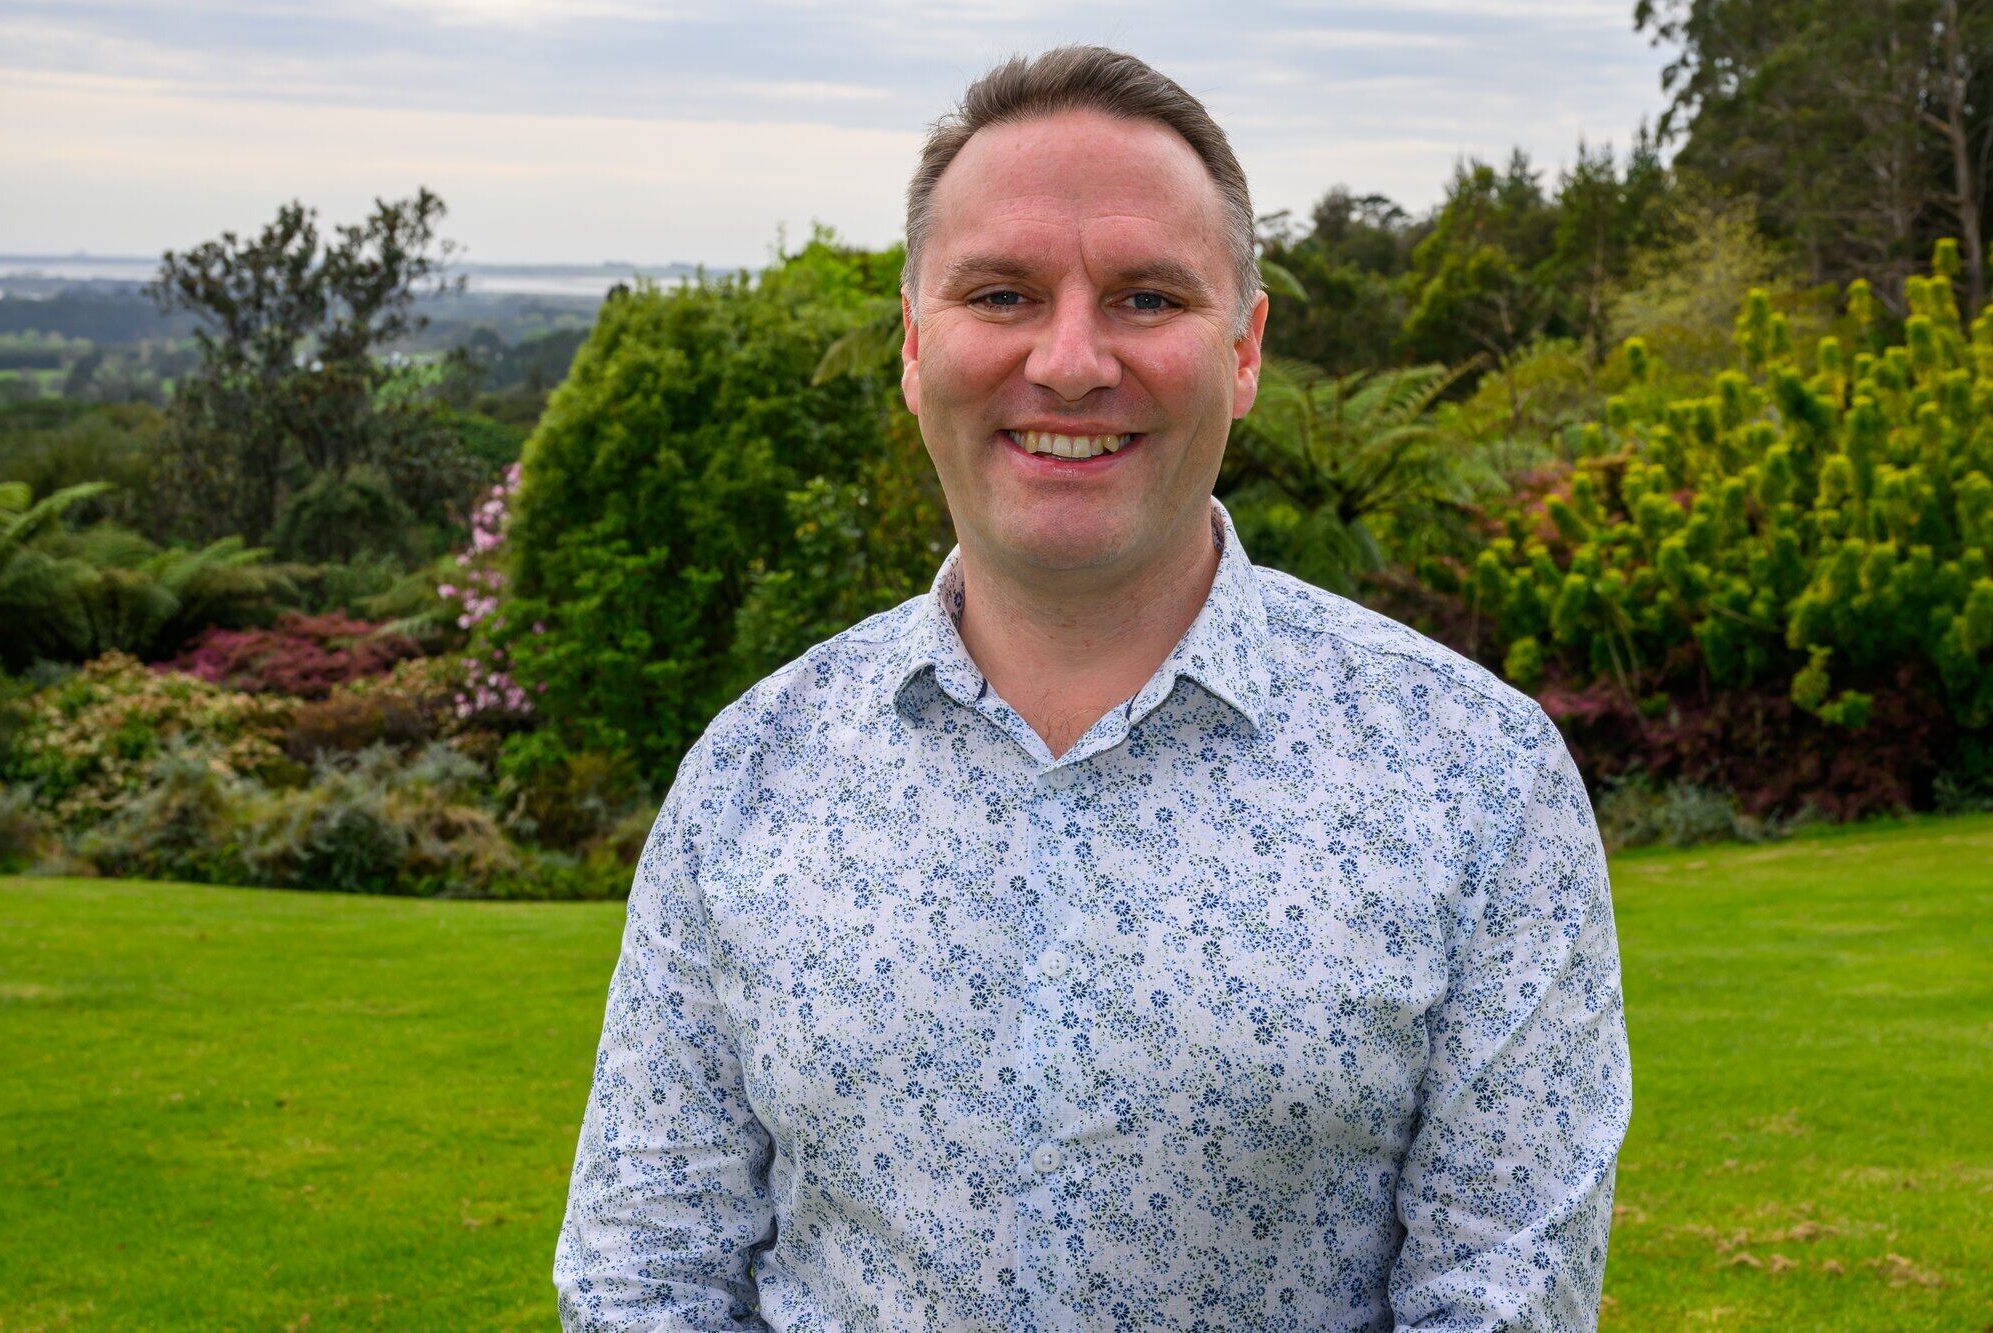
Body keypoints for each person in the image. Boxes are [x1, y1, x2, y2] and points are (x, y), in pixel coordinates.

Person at [555, 43, 1631, 1332]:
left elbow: (1506, 1298)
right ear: (913, 344)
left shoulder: (1476, 780)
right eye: (1002, 295)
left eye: (1145, 298)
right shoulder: (749, 773)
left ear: (1243, 351)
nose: (1070, 362)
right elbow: (644, 1273)